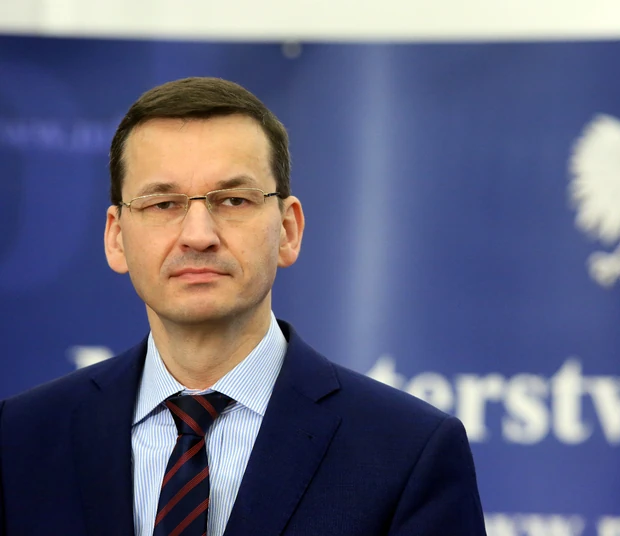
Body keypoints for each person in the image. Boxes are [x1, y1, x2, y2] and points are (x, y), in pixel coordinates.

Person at [0, 77, 486, 535]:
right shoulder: (19, 439)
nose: (198, 236)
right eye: (162, 204)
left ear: (288, 231)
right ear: (116, 238)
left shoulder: (408, 451)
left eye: (233, 200)